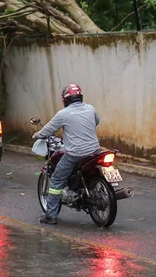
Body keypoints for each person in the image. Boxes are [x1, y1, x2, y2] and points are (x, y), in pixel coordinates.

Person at [33, 83, 101, 225]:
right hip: (95, 151)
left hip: (75, 153)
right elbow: (97, 121)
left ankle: (51, 216)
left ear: (65, 99)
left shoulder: (63, 114)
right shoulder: (90, 108)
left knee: (57, 180)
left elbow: (48, 130)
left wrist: (37, 135)